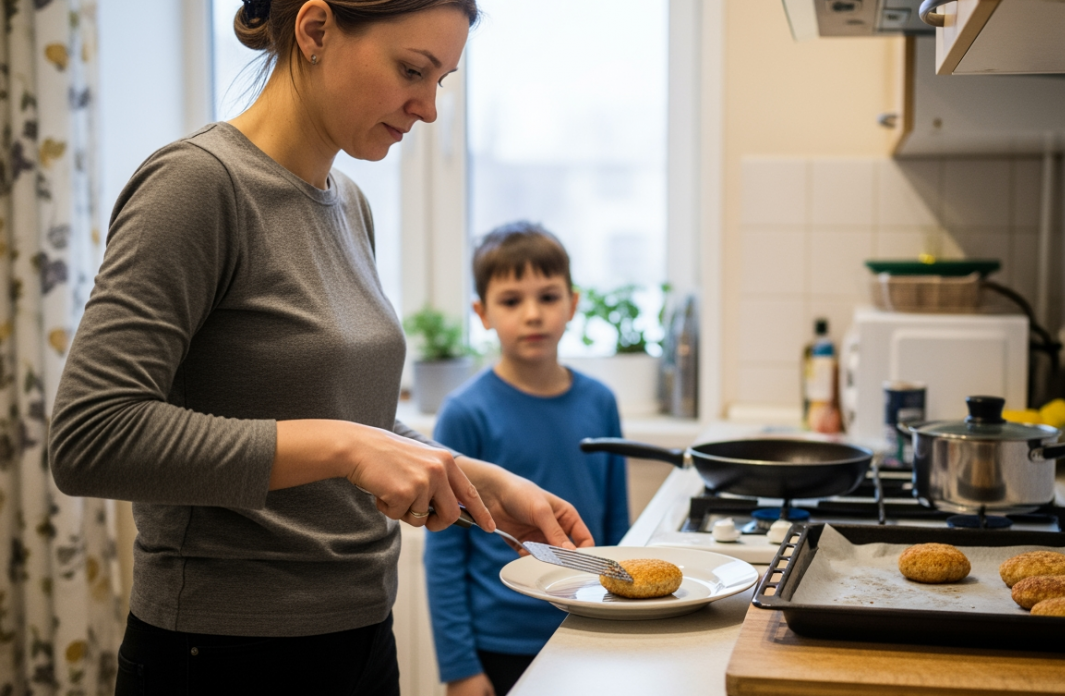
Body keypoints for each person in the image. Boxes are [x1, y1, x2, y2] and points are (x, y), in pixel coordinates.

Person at [48, 2, 594, 694]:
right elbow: (90, 437)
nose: (428, 108)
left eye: (441, 81)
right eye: (412, 71)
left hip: (361, 634)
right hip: (223, 653)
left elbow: (342, 415)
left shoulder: (350, 206)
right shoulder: (197, 186)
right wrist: (350, 447)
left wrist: (475, 479)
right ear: (314, 31)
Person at [426, 222, 630, 696]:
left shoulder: (600, 401)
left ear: (573, 305)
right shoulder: (464, 413)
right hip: (499, 641)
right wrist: (460, 666)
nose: (533, 314)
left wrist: (626, 617)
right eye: (512, 301)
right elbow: (444, 555)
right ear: (482, 313)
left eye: (548, 296)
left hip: (590, 626)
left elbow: (617, 523)